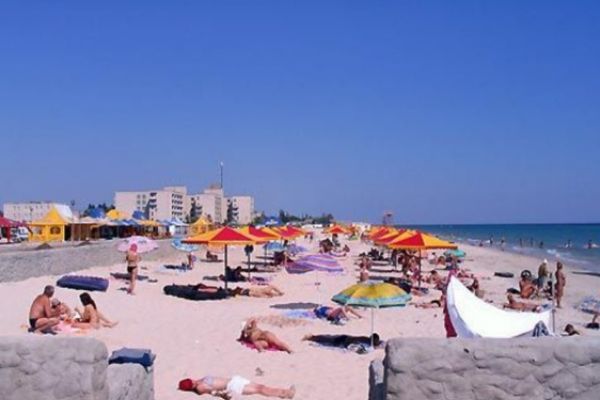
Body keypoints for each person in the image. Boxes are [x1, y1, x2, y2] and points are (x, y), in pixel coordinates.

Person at [178, 376, 295, 399]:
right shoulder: (200, 388)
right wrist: (224, 396)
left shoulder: (199, 382)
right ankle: (286, 393)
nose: (193, 381)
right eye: (191, 383)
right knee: (260, 390)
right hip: (233, 386)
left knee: (261, 387)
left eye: (191, 380)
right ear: (191, 386)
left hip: (235, 380)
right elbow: (213, 392)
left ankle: (282, 394)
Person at [302, 333, 381, 348]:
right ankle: (311, 337)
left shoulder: (365, 339)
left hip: (346, 337)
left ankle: (313, 337)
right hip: (343, 341)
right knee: (328, 340)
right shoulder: (366, 343)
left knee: (328, 338)